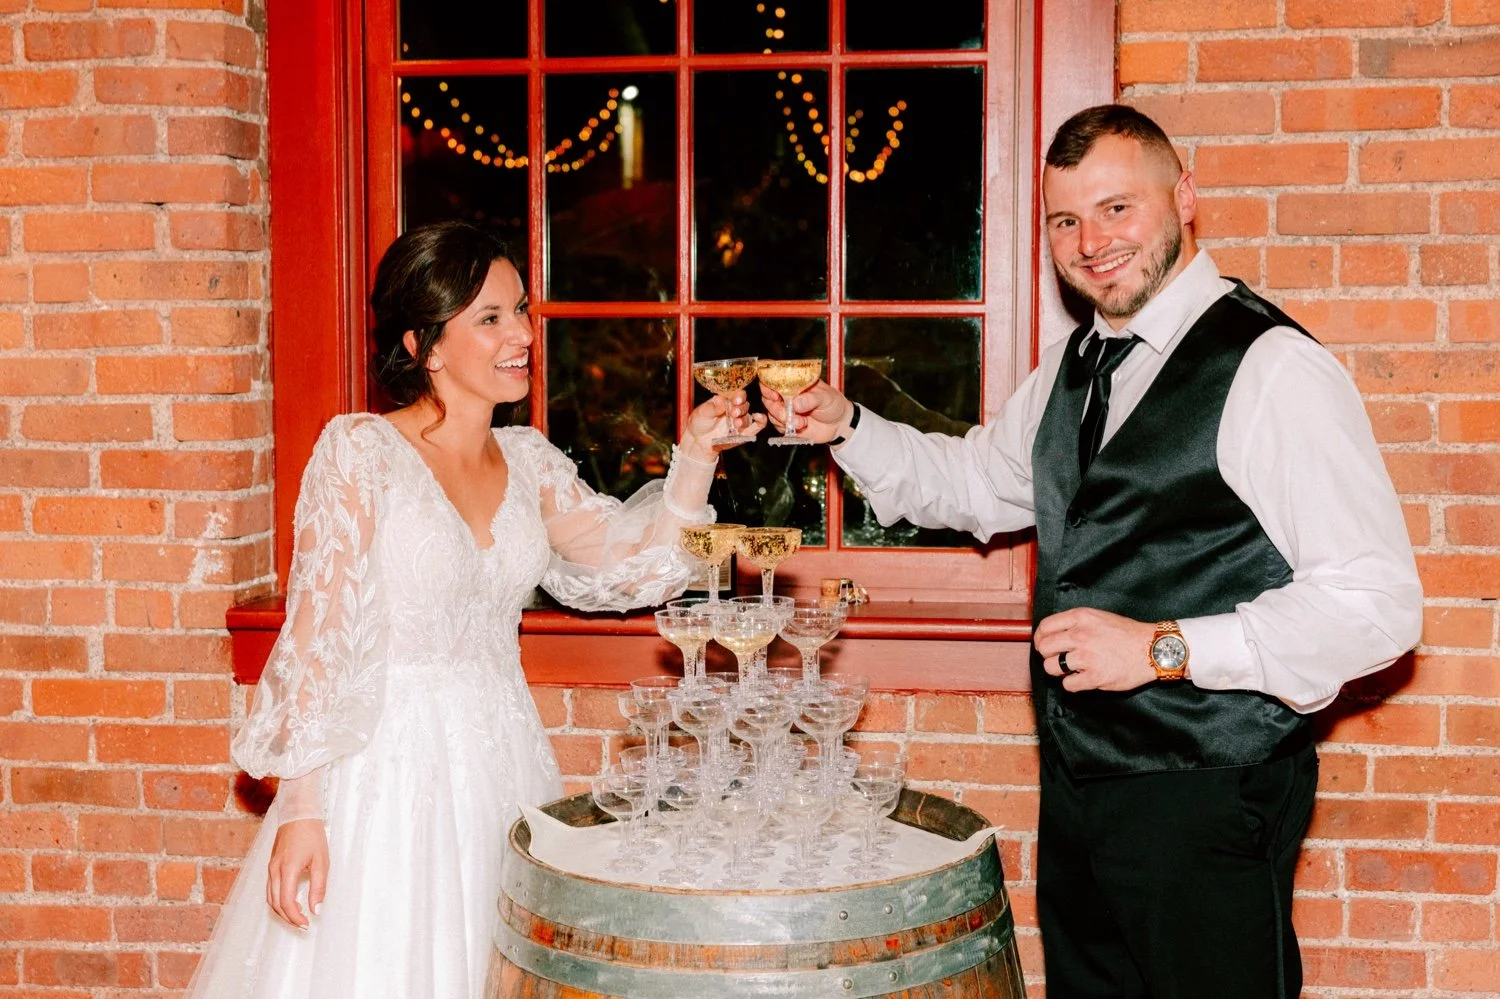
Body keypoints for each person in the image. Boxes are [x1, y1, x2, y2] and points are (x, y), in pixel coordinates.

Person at [762, 104, 1421, 998]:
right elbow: (972, 483)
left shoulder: (1272, 369)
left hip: (1207, 793)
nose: (1091, 242)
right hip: (1080, 789)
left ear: (1185, 196)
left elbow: (1376, 604)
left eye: (1118, 208)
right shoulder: (1075, 363)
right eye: (1066, 220)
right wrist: (847, 426)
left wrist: (1161, 646)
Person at [188, 220, 763, 998]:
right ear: (425, 345)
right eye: (489, 318)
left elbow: (634, 568)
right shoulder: (360, 452)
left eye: (520, 310)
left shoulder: (528, 460)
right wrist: (301, 808)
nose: (521, 333)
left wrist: (695, 454)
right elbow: (318, 634)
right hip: (382, 780)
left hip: (503, 765)